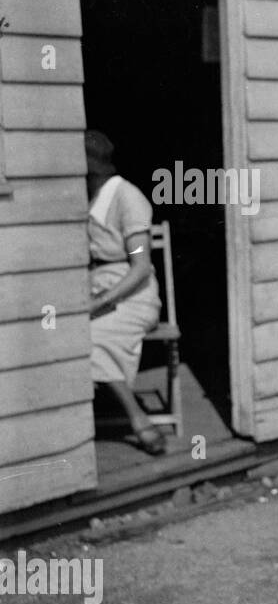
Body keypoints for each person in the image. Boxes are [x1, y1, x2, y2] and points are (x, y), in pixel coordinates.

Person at [85, 130, 166, 456]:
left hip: (133, 295)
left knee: (89, 339)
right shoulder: (93, 195)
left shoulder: (125, 197)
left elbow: (140, 267)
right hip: (99, 288)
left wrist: (100, 302)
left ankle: (137, 418)